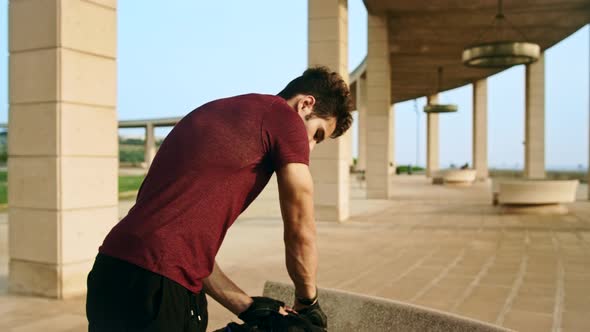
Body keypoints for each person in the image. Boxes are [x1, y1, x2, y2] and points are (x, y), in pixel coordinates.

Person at [86, 67, 353, 331]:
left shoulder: (217, 111)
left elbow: (180, 248)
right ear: (306, 104)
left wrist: (248, 307)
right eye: (317, 134)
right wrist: (308, 302)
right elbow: (300, 228)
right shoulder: (285, 118)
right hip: (157, 289)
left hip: (112, 270)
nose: (310, 147)